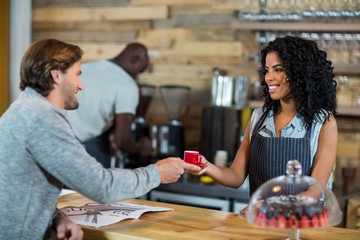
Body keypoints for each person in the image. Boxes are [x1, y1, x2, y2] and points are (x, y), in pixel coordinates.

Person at [0, 39, 201, 240]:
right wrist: (157, 173)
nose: (81, 85)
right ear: (56, 75)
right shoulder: (42, 118)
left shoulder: (24, 107)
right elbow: (102, 187)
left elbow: (25, 185)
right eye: (77, 75)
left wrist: (56, 217)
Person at [192, 36, 338, 200]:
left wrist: (271, 206)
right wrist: (205, 166)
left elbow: (314, 192)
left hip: (303, 223)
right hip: (263, 222)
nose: (268, 77)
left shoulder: (323, 123)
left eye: (278, 69)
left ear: (300, 72)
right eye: (267, 70)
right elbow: (235, 176)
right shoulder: (258, 117)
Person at [66, 42, 153, 168]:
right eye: (140, 71)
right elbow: (122, 140)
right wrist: (141, 148)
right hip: (83, 150)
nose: (137, 77)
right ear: (134, 59)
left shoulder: (85, 68)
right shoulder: (128, 85)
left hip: (53, 140)